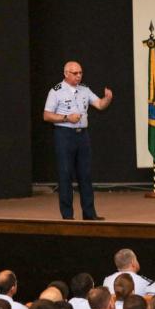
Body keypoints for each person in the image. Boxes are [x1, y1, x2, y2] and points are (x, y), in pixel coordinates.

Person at [43, 60, 113, 220]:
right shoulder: (56, 91)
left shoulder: (84, 90)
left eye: (80, 73)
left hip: (82, 136)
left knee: (85, 175)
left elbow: (100, 105)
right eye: (75, 73)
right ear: (66, 73)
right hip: (64, 135)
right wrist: (67, 118)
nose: (78, 76)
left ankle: (89, 214)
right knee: (65, 174)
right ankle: (67, 216)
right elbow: (46, 115)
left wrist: (107, 99)